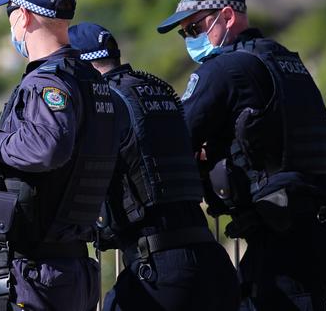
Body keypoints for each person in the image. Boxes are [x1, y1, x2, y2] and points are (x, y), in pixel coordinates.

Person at [157, 0, 326, 310]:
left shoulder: (224, 69)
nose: (189, 39)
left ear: (227, 17)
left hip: (278, 239)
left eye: (194, 29)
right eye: (185, 33)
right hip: (317, 229)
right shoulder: (286, 61)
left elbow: (173, 138)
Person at [0, 0, 124, 311]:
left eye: (9, 15)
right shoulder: (91, 82)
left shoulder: (47, 84)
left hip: (38, 274)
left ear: (23, 17)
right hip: (71, 264)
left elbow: (47, 149)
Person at [69, 22, 240, 311]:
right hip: (211, 262)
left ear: (79, 67)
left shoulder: (105, 105)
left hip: (159, 270)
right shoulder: (154, 92)